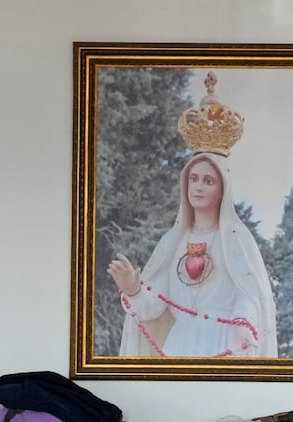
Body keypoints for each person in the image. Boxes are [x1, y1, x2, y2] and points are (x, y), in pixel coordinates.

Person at [108, 74, 277, 359]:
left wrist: (241, 323)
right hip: (179, 346)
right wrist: (133, 288)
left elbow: (248, 293)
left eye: (208, 181)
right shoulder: (173, 241)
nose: (198, 186)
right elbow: (155, 304)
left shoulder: (235, 238)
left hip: (224, 343)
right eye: (194, 179)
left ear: (223, 189)